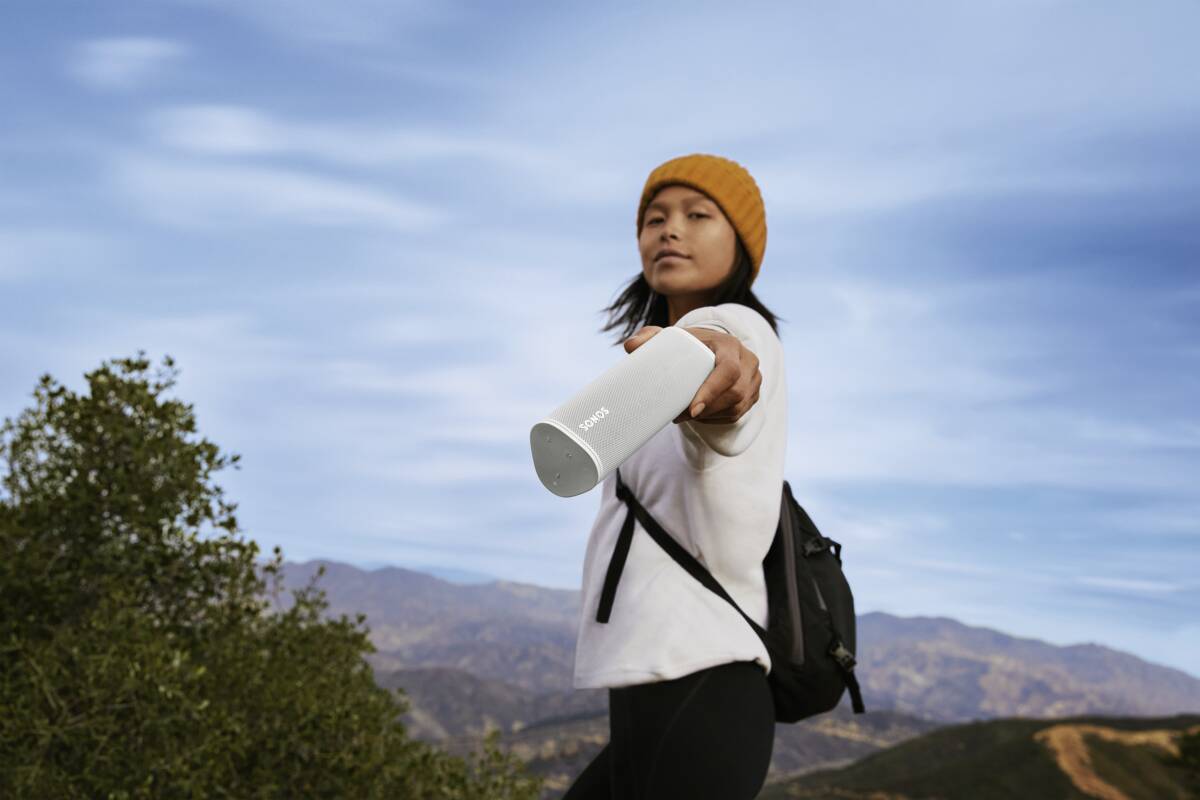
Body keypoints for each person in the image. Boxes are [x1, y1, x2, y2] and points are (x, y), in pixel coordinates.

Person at [563, 153, 788, 799]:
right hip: (650, 692)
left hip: (706, 685)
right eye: (654, 218)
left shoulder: (735, 329)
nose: (669, 230)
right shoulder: (653, 357)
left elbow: (728, 367)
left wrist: (724, 376)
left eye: (698, 215)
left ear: (740, 243)